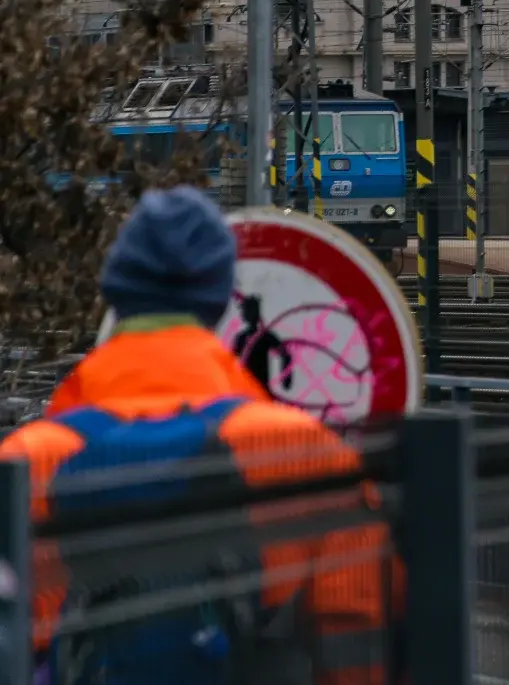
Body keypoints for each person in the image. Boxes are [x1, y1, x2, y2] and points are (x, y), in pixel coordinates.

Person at [0, 188, 392, 685]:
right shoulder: (300, 452)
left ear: (115, 293)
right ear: (217, 297)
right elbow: (358, 631)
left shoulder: (27, 462)